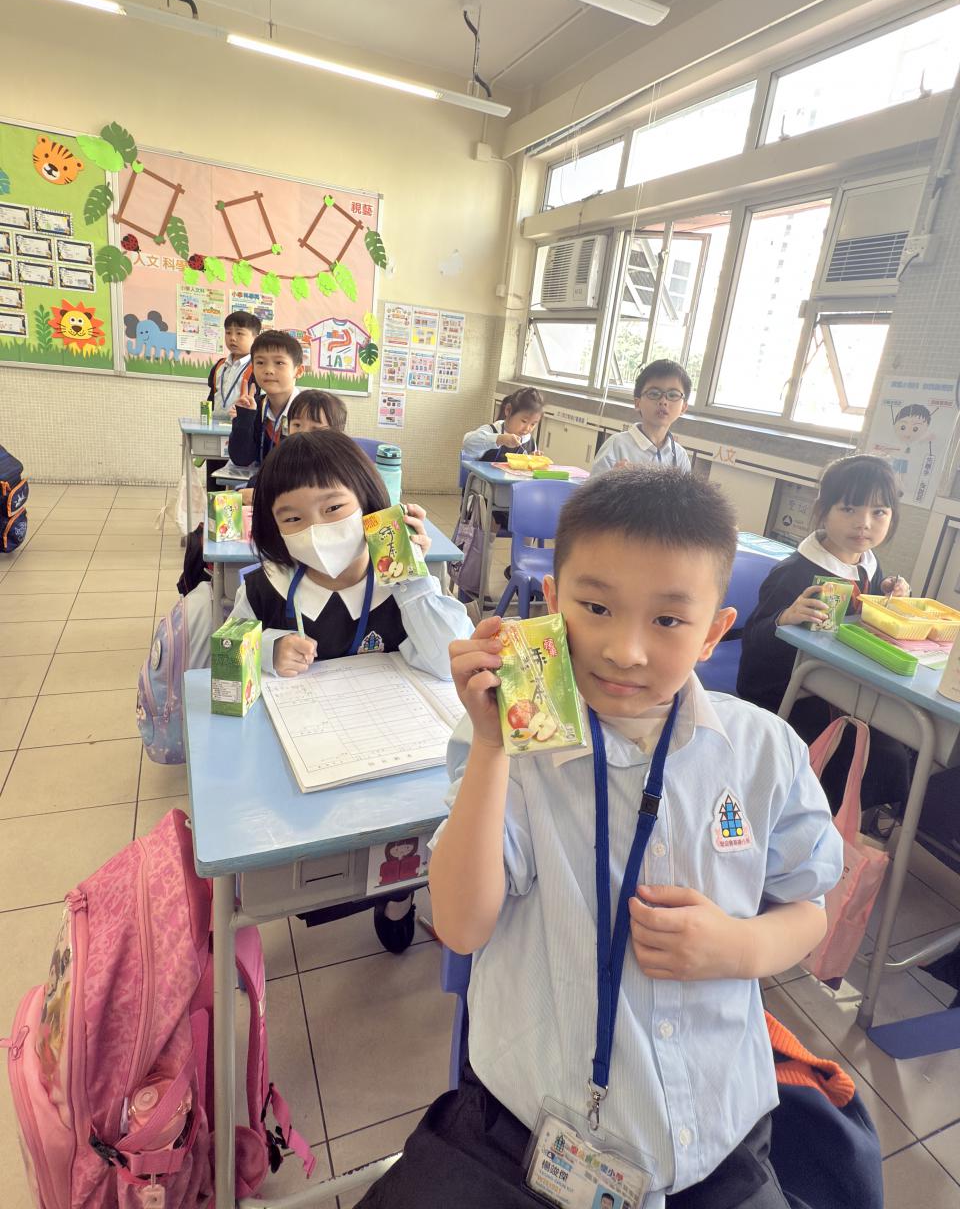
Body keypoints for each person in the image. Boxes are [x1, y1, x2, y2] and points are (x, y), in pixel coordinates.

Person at [357, 468, 843, 1209]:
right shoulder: (515, 745)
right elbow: (460, 924)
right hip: (528, 1131)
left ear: (715, 632)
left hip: (718, 1132)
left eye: (669, 620)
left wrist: (741, 947)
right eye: (596, 607)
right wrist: (489, 746)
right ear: (553, 603)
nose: (626, 650)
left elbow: (809, 905)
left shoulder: (763, 751)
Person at [737, 454, 911, 814]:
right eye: (848, 509)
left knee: (900, 744)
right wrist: (783, 619)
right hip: (789, 694)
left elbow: (861, 623)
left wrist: (888, 598)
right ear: (824, 510)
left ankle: (852, 823)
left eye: (879, 512)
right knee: (867, 753)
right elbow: (753, 646)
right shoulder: (794, 573)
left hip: (848, 688)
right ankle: (813, 821)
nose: (864, 523)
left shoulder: (869, 566)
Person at [229, 431, 472, 679]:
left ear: (367, 501)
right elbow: (228, 652)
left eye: (333, 507)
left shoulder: (401, 588)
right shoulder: (264, 588)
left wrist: (410, 573)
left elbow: (451, 663)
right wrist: (268, 649)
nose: (316, 529)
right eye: (292, 518)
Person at [240, 389, 348, 506]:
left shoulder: (341, 469)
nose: (303, 434)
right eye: (297, 425)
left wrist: (265, 498)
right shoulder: (280, 458)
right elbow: (255, 485)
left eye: (315, 429)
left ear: (336, 434)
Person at [591, 360, 691, 475]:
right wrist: (614, 480)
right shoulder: (616, 445)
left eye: (673, 395)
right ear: (638, 403)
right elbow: (593, 486)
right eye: (654, 394)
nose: (663, 401)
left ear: (683, 407)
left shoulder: (680, 456)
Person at [227, 330, 304, 471]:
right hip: (261, 482)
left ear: (298, 371)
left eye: (279, 362)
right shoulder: (254, 407)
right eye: (260, 362)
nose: (268, 370)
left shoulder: (311, 411)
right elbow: (241, 459)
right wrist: (244, 418)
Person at [461, 387, 544, 463]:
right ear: (508, 410)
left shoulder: (529, 441)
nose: (527, 428)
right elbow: (467, 443)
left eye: (533, 424)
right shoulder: (492, 430)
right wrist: (499, 439)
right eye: (524, 421)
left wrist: (531, 459)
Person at [208, 311, 261, 415]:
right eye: (228, 333)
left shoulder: (258, 368)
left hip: (241, 423)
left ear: (255, 338)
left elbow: (260, 402)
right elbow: (212, 396)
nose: (232, 338)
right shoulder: (220, 365)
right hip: (215, 422)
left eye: (239, 333)